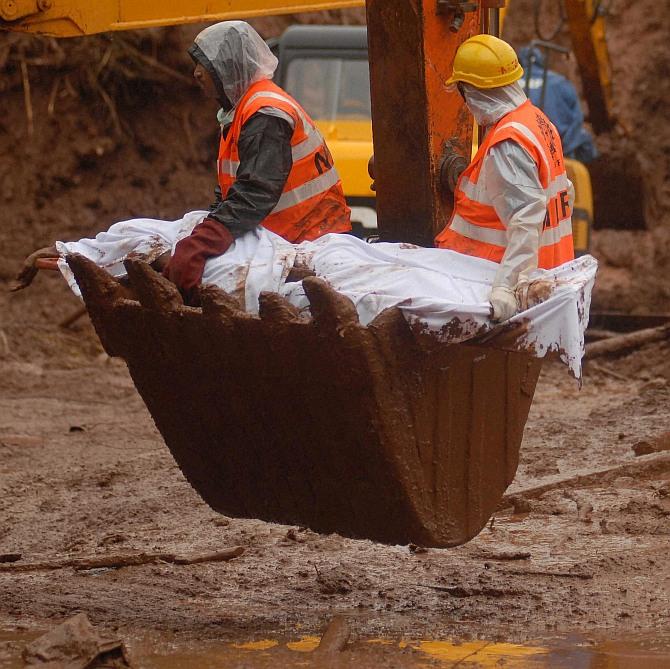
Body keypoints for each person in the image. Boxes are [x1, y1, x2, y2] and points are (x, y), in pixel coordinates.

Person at [13, 21, 351, 299]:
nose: (196, 73)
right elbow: (237, 197)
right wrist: (202, 236)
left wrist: (200, 245)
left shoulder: (264, 114)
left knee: (196, 254)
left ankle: (82, 254)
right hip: (278, 234)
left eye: (203, 64)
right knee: (150, 234)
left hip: (306, 241)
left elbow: (253, 196)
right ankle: (78, 252)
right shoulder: (243, 112)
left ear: (226, 68)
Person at [435, 34, 575, 322]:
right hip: (545, 275)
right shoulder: (536, 122)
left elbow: (526, 220)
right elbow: (562, 195)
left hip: (487, 282)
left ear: (471, 92)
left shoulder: (508, 143)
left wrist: (504, 288)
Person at [518, 45, 598, 164]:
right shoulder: (559, 81)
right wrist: (565, 150)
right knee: (585, 141)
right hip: (557, 150)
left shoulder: (512, 86)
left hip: (520, 149)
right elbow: (577, 118)